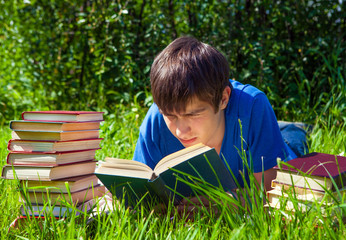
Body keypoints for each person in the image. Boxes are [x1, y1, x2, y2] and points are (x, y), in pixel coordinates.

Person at [132, 36, 305, 213]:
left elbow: (272, 193)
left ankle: (293, 128)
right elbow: (140, 190)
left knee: (293, 140)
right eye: (170, 116)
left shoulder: (253, 106)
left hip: (282, 142)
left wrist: (229, 202)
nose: (180, 131)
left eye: (193, 114)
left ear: (224, 98)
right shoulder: (156, 116)